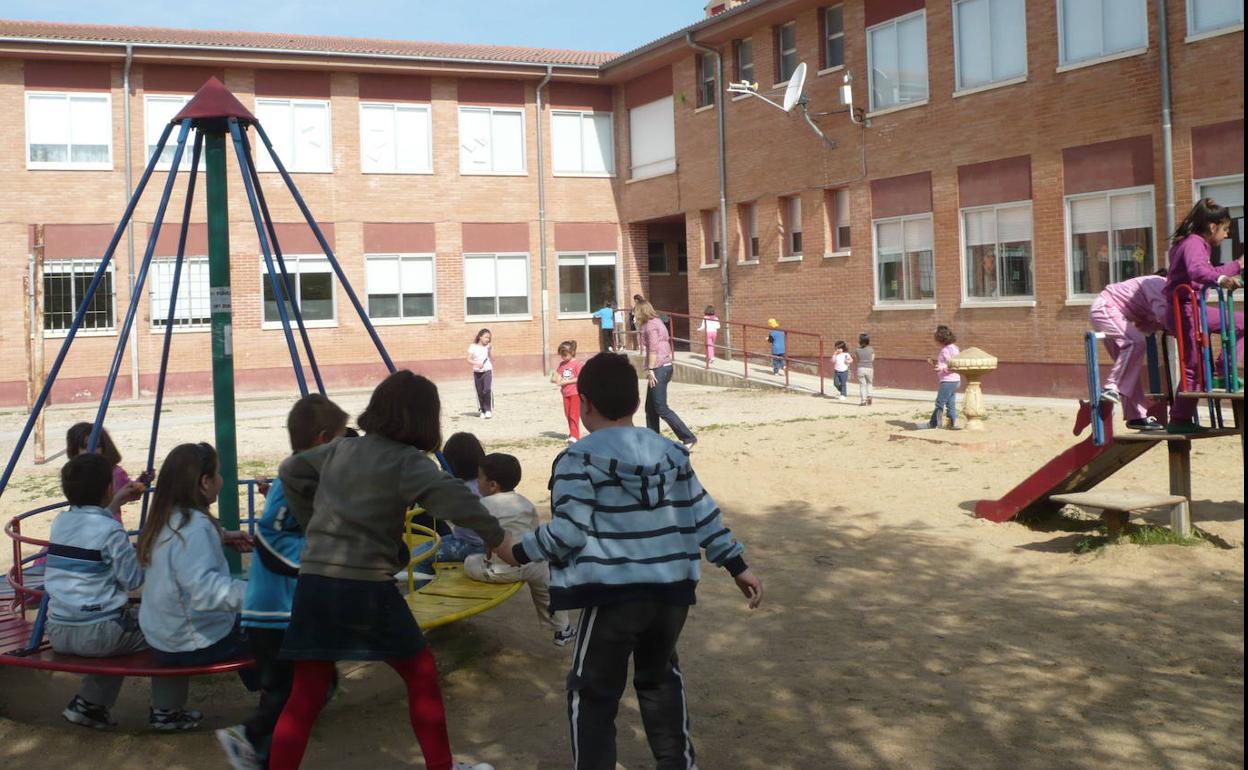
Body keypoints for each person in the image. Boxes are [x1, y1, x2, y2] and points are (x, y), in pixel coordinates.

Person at [493, 352, 763, 770]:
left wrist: (517, 551)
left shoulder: (577, 460)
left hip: (611, 597)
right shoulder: (673, 455)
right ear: (637, 403)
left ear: (584, 403)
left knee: (592, 693)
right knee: (660, 681)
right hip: (671, 594)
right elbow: (702, 513)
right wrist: (736, 564)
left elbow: (568, 532)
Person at [271, 370, 503, 770]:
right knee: (421, 674)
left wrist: (312, 523)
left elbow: (292, 470)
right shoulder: (407, 462)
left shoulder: (340, 450)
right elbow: (453, 498)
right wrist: (498, 537)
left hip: (315, 584)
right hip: (365, 588)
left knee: (306, 693)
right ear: (424, 419)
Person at [216, 395, 350, 770]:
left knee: (311, 687)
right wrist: (321, 556)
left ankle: (262, 753)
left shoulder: (307, 479)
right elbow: (271, 536)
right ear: (323, 440)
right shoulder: (295, 479)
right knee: (291, 691)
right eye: (341, 439)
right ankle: (251, 736)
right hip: (275, 612)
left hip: (289, 610)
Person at [136, 442, 257, 730]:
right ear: (204, 482)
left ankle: (166, 711)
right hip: (190, 642)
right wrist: (258, 595)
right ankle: (278, 698)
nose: (221, 480)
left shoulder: (166, 519)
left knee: (245, 622)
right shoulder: (196, 527)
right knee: (264, 628)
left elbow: (182, 556)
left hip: (162, 634)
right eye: (217, 474)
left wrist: (222, 536)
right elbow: (206, 592)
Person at [44, 453, 158, 729]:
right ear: (109, 488)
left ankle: (89, 706)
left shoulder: (60, 522)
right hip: (99, 635)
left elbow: (90, 528)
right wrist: (150, 555)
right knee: (163, 627)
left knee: (119, 625)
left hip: (58, 629)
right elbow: (132, 580)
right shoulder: (111, 531)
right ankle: (168, 710)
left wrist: (117, 501)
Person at [463, 453, 574, 646]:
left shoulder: (482, 506)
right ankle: (562, 629)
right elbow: (533, 530)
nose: (477, 481)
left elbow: (489, 541)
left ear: (492, 485)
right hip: (532, 562)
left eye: (479, 477)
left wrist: (486, 558)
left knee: (469, 562)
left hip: (502, 569)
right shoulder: (524, 502)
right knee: (547, 591)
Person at [1164, 198, 1244, 433]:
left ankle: (1223, 369)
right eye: (1226, 229)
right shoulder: (1194, 243)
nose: (1226, 235)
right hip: (1185, 311)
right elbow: (1198, 271)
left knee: (1241, 323)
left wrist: (1237, 265)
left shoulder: (1195, 245)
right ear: (1212, 227)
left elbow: (1207, 271)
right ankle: (1179, 419)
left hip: (1195, 308)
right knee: (1194, 365)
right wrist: (1221, 280)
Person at [1089, 274, 1169, 431]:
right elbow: (1162, 314)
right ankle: (1112, 386)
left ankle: (1136, 417)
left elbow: (1145, 324)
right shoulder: (1157, 282)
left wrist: (1162, 326)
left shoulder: (1153, 292)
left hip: (1114, 315)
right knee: (1135, 342)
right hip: (1105, 308)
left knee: (1130, 368)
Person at [634, 299, 697, 450]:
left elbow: (653, 349)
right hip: (664, 366)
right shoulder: (657, 321)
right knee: (650, 408)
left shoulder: (649, 326)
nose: (634, 315)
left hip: (659, 368)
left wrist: (650, 369)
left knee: (660, 407)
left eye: (635, 311)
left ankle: (688, 437)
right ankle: (652, 440)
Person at [65, 422, 142, 524]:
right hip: (83, 524)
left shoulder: (114, 472)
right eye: (85, 447)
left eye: (97, 446)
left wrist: (141, 481)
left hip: (108, 524)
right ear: (75, 450)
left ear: (104, 447)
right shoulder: (75, 474)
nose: (91, 450)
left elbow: (128, 492)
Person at [435, 432, 489, 563]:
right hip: (483, 542)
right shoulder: (484, 484)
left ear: (451, 464)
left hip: (471, 546)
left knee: (421, 556)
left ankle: (424, 584)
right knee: (434, 543)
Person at [926, 325, 961, 429]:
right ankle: (952, 424)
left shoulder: (945, 350)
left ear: (940, 337)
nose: (934, 339)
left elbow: (951, 364)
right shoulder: (955, 348)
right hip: (956, 380)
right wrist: (935, 364)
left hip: (947, 381)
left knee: (939, 403)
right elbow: (951, 363)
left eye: (935, 337)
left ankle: (935, 424)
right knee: (951, 404)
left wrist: (941, 368)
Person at [551, 341, 582, 443]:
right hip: (565, 393)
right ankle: (572, 433)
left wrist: (566, 381)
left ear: (572, 352)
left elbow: (579, 378)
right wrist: (555, 379)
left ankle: (575, 436)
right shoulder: (562, 364)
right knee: (568, 414)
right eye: (561, 355)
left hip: (575, 393)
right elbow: (558, 375)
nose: (563, 357)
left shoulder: (577, 364)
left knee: (574, 414)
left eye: (565, 355)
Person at [467, 329, 493, 419]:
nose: (488, 339)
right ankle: (482, 410)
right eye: (486, 337)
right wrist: (477, 363)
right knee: (480, 392)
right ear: (480, 337)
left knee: (487, 390)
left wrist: (489, 350)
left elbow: (490, 358)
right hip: (477, 372)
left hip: (487, 370)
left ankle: (488, 410)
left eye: (489, 338)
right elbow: (468, 359)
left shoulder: (488, 346)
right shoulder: (473, 347)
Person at [855, 333, 875, 406]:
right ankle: (869, 396)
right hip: (869, 367)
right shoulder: (871, 349)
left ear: (860, 341)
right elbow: (872, 359)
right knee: (869, 383)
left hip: (860, 368)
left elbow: (857, 359)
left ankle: (863, 401)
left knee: (862, 385)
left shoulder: (857, 350)